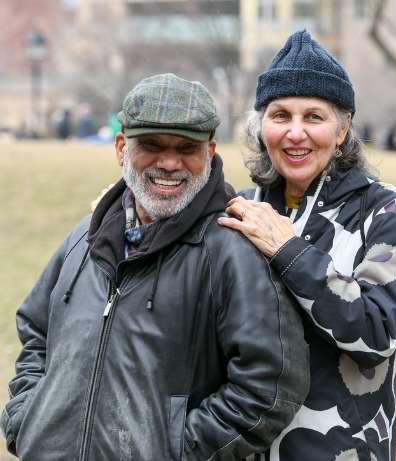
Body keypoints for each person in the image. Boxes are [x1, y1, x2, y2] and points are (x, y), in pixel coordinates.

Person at [0, 73, 310, 461]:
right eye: (150, 144)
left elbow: (272, 384)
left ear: (210, 152)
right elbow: (35, 330)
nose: (168, 162)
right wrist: (27, 419)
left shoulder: (232, 249)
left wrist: (176, 449)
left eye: (187, 147)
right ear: (120, 148)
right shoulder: (87, 234)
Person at [217, 30, 396, 461]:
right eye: (280, 115)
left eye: (313, 116)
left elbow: (377, 331)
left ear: (343, 126)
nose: (295, 133)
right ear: (259, 126)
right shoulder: (245, 210)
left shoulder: (386, 211)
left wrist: (289, 251)